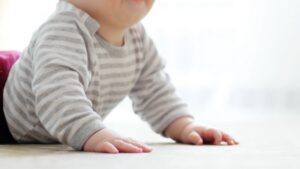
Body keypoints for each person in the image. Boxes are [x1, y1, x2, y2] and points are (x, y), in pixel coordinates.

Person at [2, 0, 238, 153]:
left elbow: (154, 89)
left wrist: (184, 125)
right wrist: (92, 132)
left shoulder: (137, 37)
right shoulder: (63, 29)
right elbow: (56, 94)